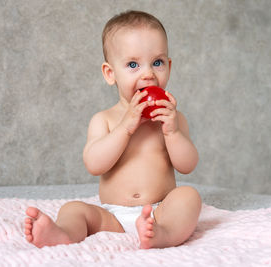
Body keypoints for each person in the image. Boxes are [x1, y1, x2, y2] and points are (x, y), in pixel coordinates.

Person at [24, 10, 201, 249]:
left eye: (157, 62)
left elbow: (187, 165)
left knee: (189, 197)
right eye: (133, 64)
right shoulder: (104, 120)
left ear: (168, 67)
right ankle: (62, 233)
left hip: (161, 209)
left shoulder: (172, 118)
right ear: (111, 73)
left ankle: (163, 233)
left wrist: (172, 133)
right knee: (73, 209)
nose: (148, 74)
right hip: (113, 216)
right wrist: (125, 128)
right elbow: (94, 164)